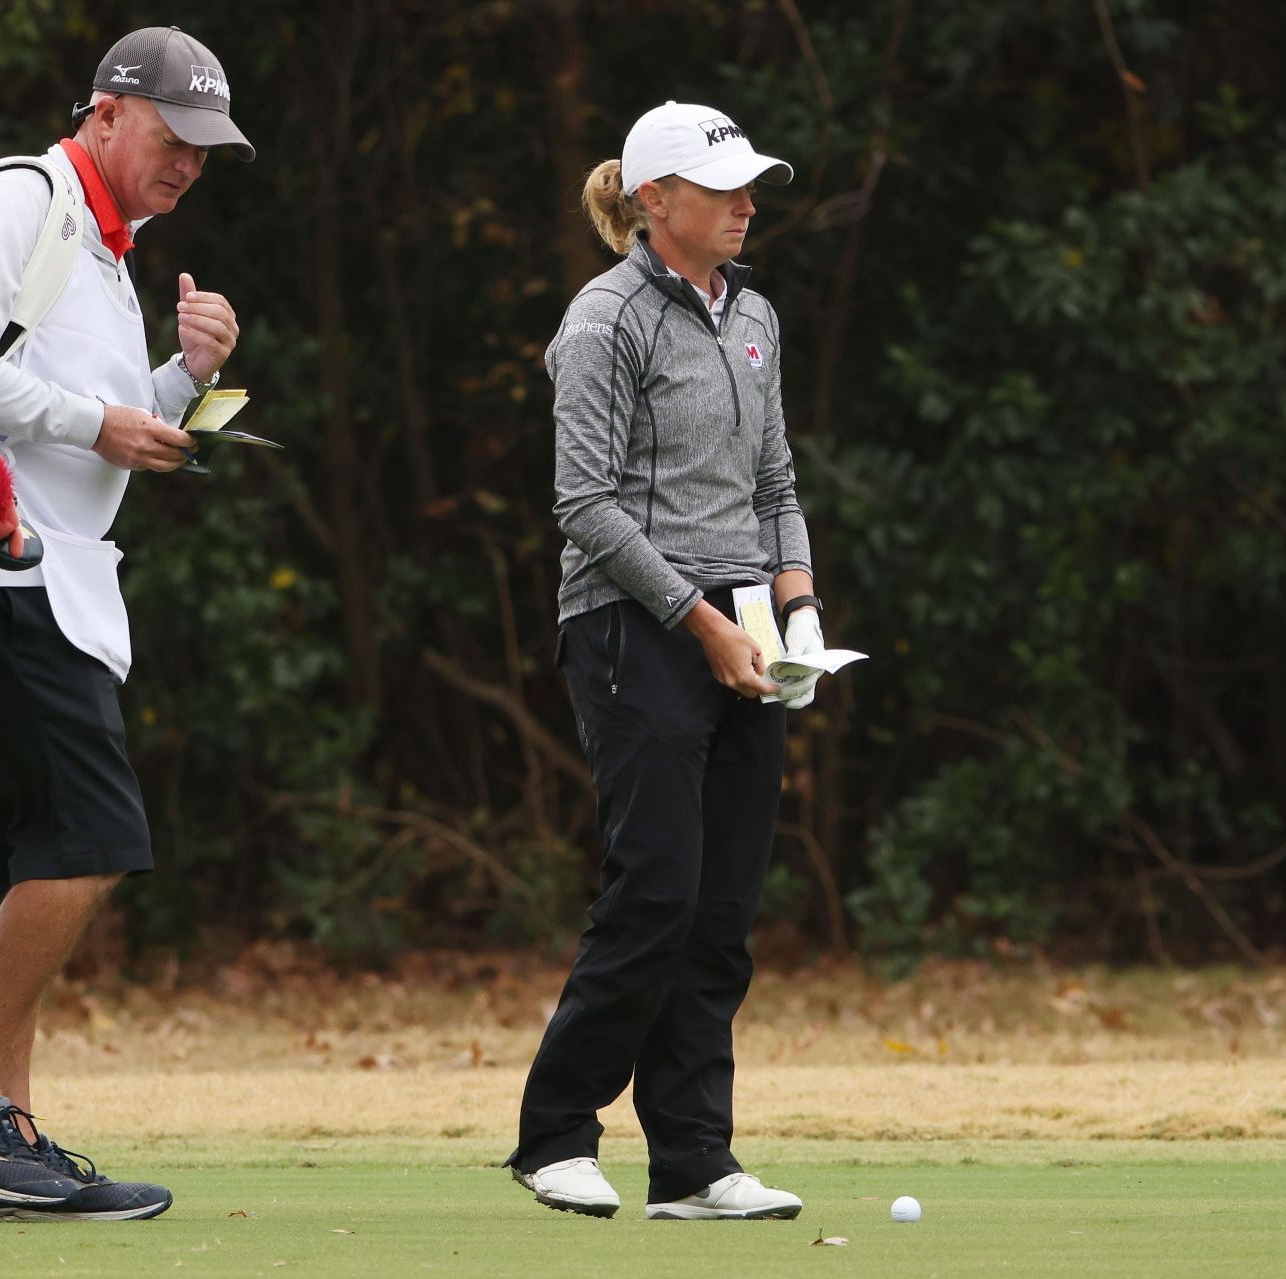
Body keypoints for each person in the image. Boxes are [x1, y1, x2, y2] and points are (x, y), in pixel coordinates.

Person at [0, 26, 252, 1223]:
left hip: (49, 579)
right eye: (174, 134)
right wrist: (101, 424)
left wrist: (180, 383)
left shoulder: (106, 249)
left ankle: (6, 1135)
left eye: (208, 149)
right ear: (105, 112)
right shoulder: (24, 197)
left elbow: (96, 437)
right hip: (6, 580)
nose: (190, 163)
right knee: (93, 837)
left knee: (12, 857)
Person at [508, 101, 830, 1221]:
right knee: (656, 891)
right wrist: (703, 620)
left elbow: (776, 485)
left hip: (744, 629)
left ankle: (692, 1159)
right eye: (724, 186)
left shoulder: (755, 316)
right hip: (629, 628)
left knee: (722, 906)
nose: (748, 202)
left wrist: (796, 607)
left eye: (751, 184)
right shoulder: (605, 322)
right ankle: (555, 1133)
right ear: (655, 201)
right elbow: (584, 503)